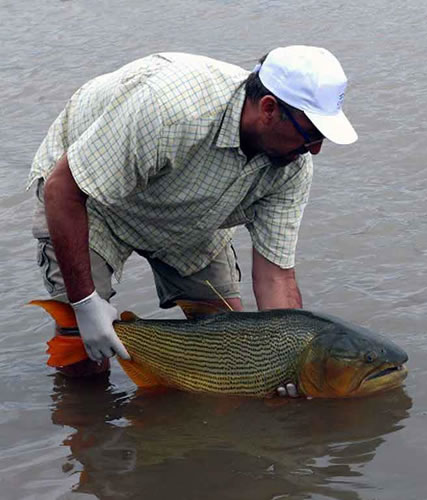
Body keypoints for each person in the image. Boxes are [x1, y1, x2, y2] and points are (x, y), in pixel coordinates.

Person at [27, 46, 358, 380]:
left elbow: (276, 277)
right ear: (269, 109)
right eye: (311, 134)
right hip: (91, 201)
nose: (315, 150)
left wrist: (290, 368)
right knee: (87, 357)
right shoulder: (171, 111)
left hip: (190, 219)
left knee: (234, 357)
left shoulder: (293, 165)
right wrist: (84, 304)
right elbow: (62, 190)